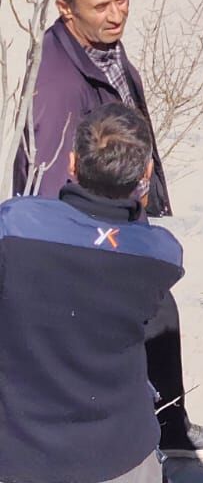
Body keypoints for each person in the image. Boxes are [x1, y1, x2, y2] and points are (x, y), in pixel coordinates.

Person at [11, 0, 203, 461]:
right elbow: (46, 189)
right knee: (129, 332)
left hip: (118, 212)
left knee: (160, 315)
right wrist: (94, 253)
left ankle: (169, 424)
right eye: (102, 6)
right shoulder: (56, 86)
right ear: (67, 9)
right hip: (92, 237)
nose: (117, 14)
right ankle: (149, 438)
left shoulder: (95, 45)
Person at [0, 105, 184, 483]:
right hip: (120, 453)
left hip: (22, 450)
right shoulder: (160, 255)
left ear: (72, 164)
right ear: (145, 174)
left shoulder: (15, 227)